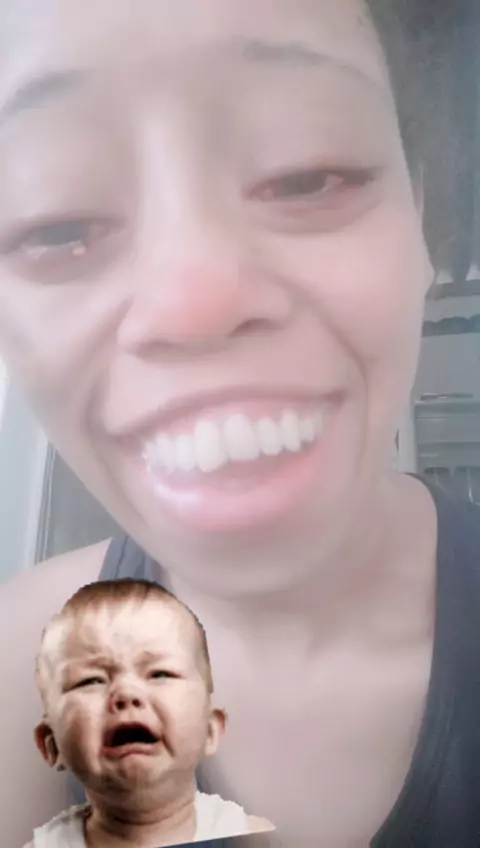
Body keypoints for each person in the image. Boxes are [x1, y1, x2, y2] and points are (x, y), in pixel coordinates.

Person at [0, 0, 479, 846]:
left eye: (306, 174)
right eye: (58, 225)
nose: (194, 304)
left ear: (421, 219)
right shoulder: (15, 662)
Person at [23, 578, 273, 847]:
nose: (127, 693)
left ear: (209, 730)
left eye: (159, 674)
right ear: (52, 745)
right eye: (91, 681)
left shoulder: (253, 838)